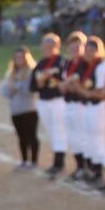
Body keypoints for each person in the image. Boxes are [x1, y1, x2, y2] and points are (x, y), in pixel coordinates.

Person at [70, 36, 105, 195]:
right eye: (87, 50)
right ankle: (97, 174)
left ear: (99, 51)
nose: (89, 53)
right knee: (91, 142)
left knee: (101, 143)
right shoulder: (87, 66)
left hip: (100, 108)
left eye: (93, 50)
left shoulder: (102, 66)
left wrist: (81, 90)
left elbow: (99, 93)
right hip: (89, 107)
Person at [30, 33, 70, 175]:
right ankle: (57, 159)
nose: (47, 48)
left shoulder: (63, 62)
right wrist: (40, 83)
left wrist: (52, 76)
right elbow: (32, 86)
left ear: (57, 46)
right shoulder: (40, 64)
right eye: (45, 45)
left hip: (58, 101)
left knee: (59, 130)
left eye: (50, 45)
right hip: (43, 101)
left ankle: (59, 162)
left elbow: (67, 82)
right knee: (51, 130)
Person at [2, 46, 39, 170]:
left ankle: (33, 161)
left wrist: (16, 86)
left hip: (29, 110)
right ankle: (24, 160)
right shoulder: (11, 73)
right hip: (16, 111)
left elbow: (30, 90)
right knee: (21, 136)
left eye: (21, 56)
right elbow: (5, 92)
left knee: (31, 135)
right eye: (16, 57)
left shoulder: (32, 71)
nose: (19, 59)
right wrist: (14, 87)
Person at [58, 31, 89, 182]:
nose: (75, 49)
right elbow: (63, 87)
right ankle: (80, 167)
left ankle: (89, 168)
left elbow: (81, 86)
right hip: (69, 104)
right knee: (73, 137)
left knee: (84, 137)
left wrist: (69, 84)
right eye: (72, 46)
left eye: (79, 46)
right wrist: (69, 83)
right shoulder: (67, 64)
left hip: (82, 104)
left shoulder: (86, 63)